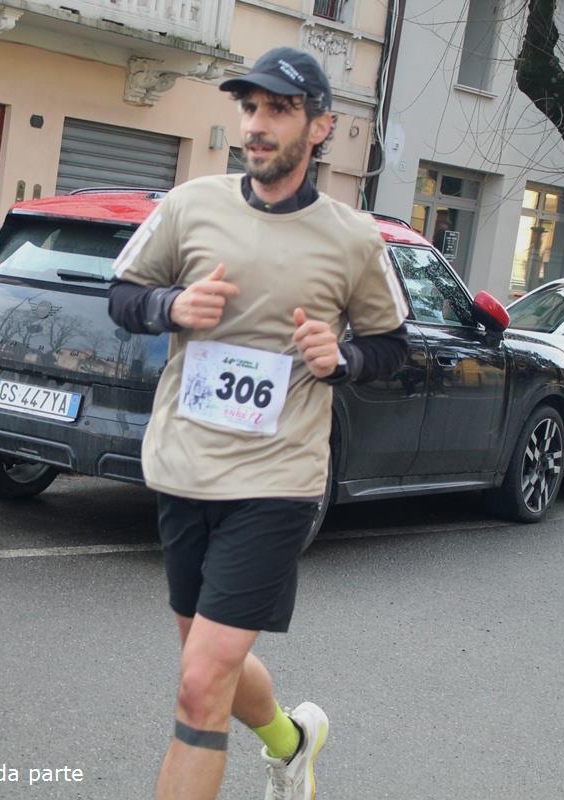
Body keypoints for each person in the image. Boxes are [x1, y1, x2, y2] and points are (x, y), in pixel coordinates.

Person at [106, 47, 411, 800]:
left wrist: (341, 358)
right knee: (206, 661)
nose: (257, 124)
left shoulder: (353, 238)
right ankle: (293, 742)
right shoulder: (190, 206)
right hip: (185, 467)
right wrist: (171, 306)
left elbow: (392, 348)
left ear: (320, 126)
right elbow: (123, 294)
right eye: (249, 108)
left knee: (198, 685)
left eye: (278, 109)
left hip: (278, 482)